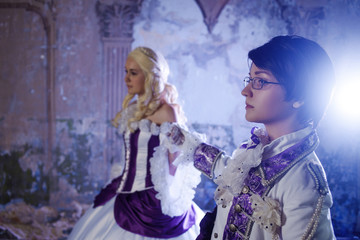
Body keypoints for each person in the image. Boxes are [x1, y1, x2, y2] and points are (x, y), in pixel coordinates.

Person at [170, 35, 336, 240]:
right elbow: (231, 173)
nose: (245, 91)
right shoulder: (258, 148)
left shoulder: (305, 181)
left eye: (261, 81)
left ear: (300, 96)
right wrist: (187, 143)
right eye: (250, 79)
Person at [68, 46, 204, 240]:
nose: (126, 79)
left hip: (153, 201)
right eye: (126, 72)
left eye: (133, 73)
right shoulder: (134, 109)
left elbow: (176, 160)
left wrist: (169, 196)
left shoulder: (167, 112)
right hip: (124, 191)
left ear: (150, 77)